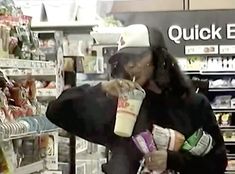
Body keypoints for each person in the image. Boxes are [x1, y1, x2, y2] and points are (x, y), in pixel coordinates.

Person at [46, 24, 227, 174]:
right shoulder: (121, 105)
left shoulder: (193, 105)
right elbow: (56, 111)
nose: (130, 64)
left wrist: (173, 160)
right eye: (125, 59)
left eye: (138, 56)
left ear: (159, 58)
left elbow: (217, 163)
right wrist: (101, 89)